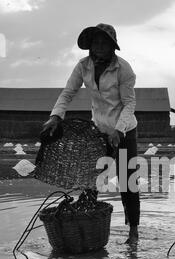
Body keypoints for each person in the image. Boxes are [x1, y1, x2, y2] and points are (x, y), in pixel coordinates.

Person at [42, 23, 140, 243]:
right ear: (90, 46)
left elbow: (129, 103)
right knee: (92, 177)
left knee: (127, 181)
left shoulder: (123, 69)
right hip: (99, 130)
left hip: (125, 130)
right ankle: (87, 224)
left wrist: (119, 130)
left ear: (112, 46)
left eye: (104, 42)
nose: (99, 46)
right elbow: (68, 93)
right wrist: (56, 116)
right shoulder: (83, 66)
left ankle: (133, 230)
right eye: (96, 42)